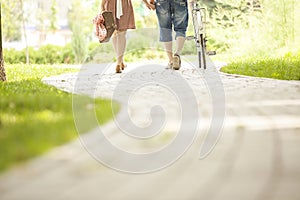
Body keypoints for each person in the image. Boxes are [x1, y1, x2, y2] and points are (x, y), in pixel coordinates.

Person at [100, 0, 153, 73]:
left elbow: (102, 3)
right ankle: (119, 62)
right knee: (121, 34)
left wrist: (102, 7)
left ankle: (120, 61)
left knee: (115, 33)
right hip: (124, 5)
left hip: (110, 5)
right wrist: (146, 3)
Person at [149, 0, 193, 70]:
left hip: (162, 3)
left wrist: (151, 1)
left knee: (165, 30)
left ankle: (171, 60)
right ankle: (177, 54)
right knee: (180, 29)